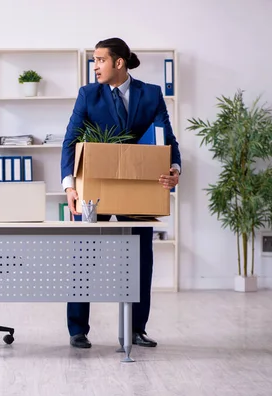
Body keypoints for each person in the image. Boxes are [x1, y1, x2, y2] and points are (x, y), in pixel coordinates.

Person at [60, 37, 182, 349]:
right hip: (95, 187)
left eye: (100, 60)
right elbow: (70, 141)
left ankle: (135, 329)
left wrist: (174, 171)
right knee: (83, 256)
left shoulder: (151, 94)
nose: (95, 66)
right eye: (94, 60)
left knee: (141, 258)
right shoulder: (88, 94)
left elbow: (167, 141)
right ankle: (77, 330)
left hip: (136, 189)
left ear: (119, 63)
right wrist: (69, 186)